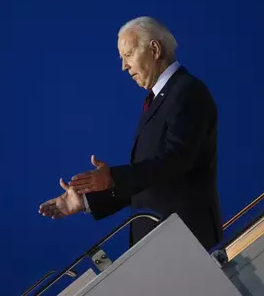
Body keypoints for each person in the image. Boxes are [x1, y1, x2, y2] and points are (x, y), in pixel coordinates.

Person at [38, 16, 223, 251]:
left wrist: (112, 177)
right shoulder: (159, 100)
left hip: (187, 239)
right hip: (162, 244)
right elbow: (147, 179)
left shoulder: (187, 91)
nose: (124, 67)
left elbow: (175, 161)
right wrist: (85, 200)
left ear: (155, 49)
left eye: (128, 55)